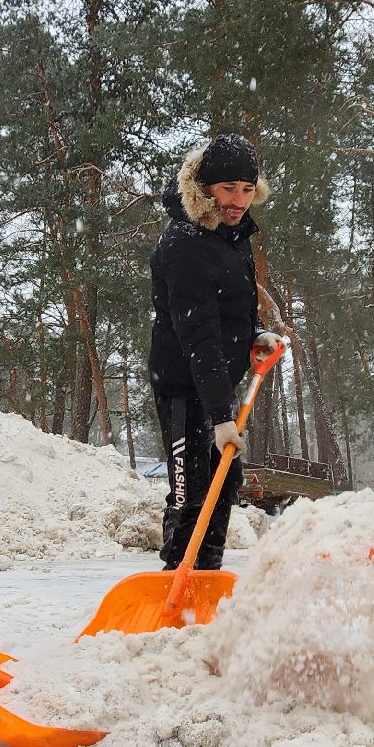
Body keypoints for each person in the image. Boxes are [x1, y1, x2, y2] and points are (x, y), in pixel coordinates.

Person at [147, 135, 283, 571]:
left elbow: (228, 312)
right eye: (227, 189)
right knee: (192, 493)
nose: (238, 200)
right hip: (184, 388)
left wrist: (255, 334)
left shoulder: (229, 236)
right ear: (204, 188)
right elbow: (199, 334)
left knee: (225, 485)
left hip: (217, 382)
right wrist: (222, 417)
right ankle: (176, 586)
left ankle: (205, 578)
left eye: (246, 189)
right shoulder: (185, 242)